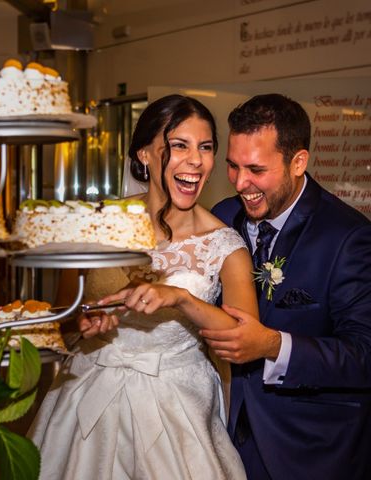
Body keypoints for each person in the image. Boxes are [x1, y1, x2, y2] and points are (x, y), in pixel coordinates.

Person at [29, 95, 258, 479]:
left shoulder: (225, 245)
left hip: (177, 407)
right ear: (145, 155)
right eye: (179, 146)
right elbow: (61, 322)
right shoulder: (95, 225)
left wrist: (181, 299)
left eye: (205, 148)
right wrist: (84, 326)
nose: (196, 160)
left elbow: (244, 340)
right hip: (86, 396)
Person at [201, 93, 371, 480]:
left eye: (256, 169)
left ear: (298, 162)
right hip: (221, 436)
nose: (241, 183)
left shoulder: (348, 237)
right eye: (232, 165)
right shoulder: (222, 217)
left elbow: (365, 355)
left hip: (306, 451)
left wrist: (274, 346)